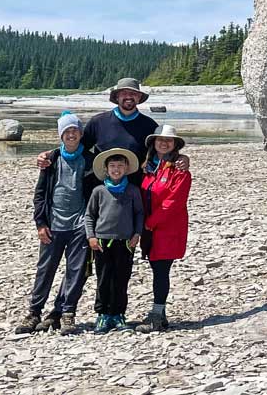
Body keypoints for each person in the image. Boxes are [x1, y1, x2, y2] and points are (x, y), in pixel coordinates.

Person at [15, 112, 95, 336]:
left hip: (80, 225)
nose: (71, 135)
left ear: (80, 134)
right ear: (61, 135)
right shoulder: (51, 158)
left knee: (76, 271)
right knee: (45, 269)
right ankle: (34, 312)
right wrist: (40, 223)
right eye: (67, 131)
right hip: (53, 225)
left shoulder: (91, 160)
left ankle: (67, 313)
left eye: (75, 131)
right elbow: (40, 195)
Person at [36, 78, 189, 178]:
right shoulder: (98, 121)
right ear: (116, 97)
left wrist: (182, 158)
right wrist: (49, 154)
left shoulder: (149, 125)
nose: (128, 96)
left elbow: (162, 151)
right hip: (102, 184)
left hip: (136, 186)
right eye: (124, 93)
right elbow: (77, 147)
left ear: (139, 98)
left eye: (133, 93)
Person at [137, 124, 192, 333]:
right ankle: (159, 313)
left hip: (167, 229)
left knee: (161, 270)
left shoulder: (180, 172)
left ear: (175, 145)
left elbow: (173, 202)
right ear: (153, 143)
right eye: (160, 139)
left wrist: (150, 223)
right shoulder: (148, 167)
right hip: (150, 228)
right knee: (155, 267)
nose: (164, 143)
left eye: (169, 140)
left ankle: (156, 314)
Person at [85, 147, 145, 333]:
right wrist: (91, 236)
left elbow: (139, 213)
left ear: (126, 168)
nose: (116, 169)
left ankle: (118, 314)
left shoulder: (133, 191)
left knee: (121, 279)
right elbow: (89, 216)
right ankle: (103, 314)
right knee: (103, 279)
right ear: (106, 168)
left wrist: (137, 233)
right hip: (102, 242)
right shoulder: (99, 191)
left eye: (120, 166)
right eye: (112, 166)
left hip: (125, 242)